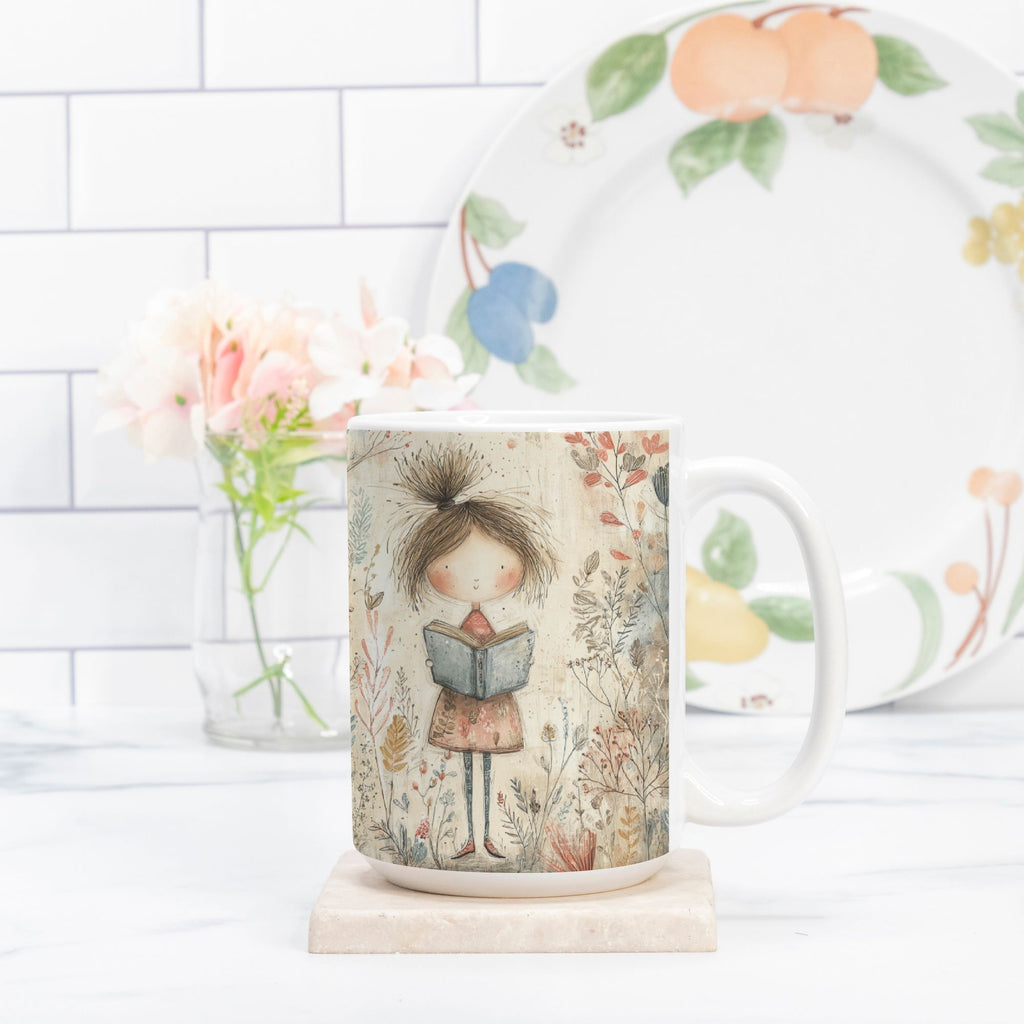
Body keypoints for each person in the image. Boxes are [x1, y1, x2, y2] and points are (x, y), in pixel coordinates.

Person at [391, 444, 557, 860]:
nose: (479, 580)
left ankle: (486, 837)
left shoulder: (485, 621)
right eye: (454, 568)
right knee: (467, 767)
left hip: (492, 702)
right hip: (461, 704)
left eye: (498, 567)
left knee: (485, 767)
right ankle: (470, 837)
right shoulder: (462, 623)